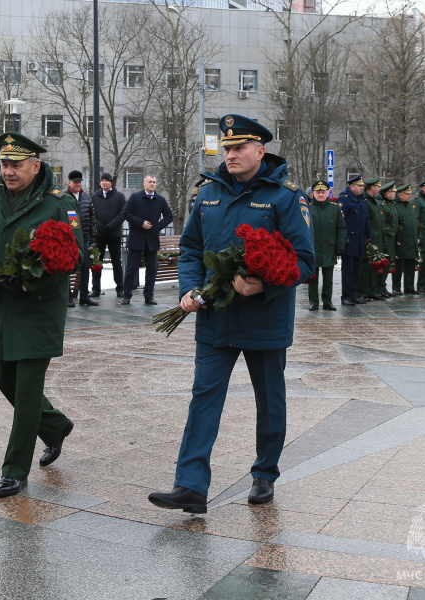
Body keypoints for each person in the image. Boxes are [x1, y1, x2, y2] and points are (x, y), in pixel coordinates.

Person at [147, 114, 315, 513]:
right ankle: (190, 485)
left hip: (265, 317)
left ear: (261, 150)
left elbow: (306, 260)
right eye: (227, 147)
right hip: (216, 317)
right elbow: (190, 248)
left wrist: (266, 283)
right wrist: (190, 288)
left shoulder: (286, 197)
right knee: (203, 398)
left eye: (240, 147)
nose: (231, 154)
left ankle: (264, 473)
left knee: (269, 401)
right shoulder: (207, 194)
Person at [0, 132, 83, 498]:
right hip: (2, 308)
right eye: (4, 164)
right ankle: (56, 425)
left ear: (36, 165)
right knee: (6, 382)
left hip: (38, 309)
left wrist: (34, 273)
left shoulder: (58, 204)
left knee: (28, 391)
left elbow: (75, 252)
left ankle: (14, 470)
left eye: (16, 164)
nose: (8, 171)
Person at [121, 175, 173, 305]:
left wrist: (158, 226)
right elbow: (126, 213)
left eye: (154, 182)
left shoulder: (160, 200)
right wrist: (141, 223)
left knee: (152, 269)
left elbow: (169, 216)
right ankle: (127, 294)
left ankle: (149, 296)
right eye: (150, 182)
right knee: (131, 268)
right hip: (136, 238)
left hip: (152, 239)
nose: (152, 184)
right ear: (144, 183)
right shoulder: (135, 197)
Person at [308, 179, 345, 311]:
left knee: (328, 278)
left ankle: (327, 301)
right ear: (314, 194)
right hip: (313, 247)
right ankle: (313, 301)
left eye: (323, 192)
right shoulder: (308, 208)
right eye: (318, 192)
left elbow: (341, 228)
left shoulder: (335, 209)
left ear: (328, 193)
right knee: (313, 277)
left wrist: (340, 245)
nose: (321, 195)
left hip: (330, 248)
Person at [338, 175, 373, 306]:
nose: (362, 188)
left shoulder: (362, 200)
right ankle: (346, 295)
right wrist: (344, 238)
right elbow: (340, 220)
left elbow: (366, 219)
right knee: (348, 270)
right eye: (359, 186)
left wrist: (369, 235)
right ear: (351, 186)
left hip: (359, 240)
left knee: (356, 270)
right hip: (349, 240)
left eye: (362, 186)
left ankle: (353, 294)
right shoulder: (345, 199)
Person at [91, 172, 127, 298]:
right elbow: (92, 214)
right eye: (102, 180)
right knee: (97, 262)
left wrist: (110, 225)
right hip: (99, 235)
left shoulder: (119, 196)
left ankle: (120, 289)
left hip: (114, 235)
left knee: (116, 263)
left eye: (106, 180)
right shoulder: (94, 197)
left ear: (111, 182)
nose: (104, 182)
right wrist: (99, 225)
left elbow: (122, 214)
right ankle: (95, 289)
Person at [66, 170, 97, 307]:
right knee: (67, 269)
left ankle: (84, 296)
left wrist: (93, 236)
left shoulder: (86, 197)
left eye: (79, 182)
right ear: (69, 183)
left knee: (85, 268)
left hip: (84, 239)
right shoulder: (64, 197)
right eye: (75, 182)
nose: (78, 184)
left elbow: (92, 217)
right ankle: (68, 297)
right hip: (68, 240)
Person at [357, 177, 384, 301]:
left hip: (375, 238)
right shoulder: (366, 201)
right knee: (365, 268)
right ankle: (362, 291)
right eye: (377, 186)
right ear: (372, 187)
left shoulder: (374, 201)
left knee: (372, 266)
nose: (379, 189)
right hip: (367, 239)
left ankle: (372, 290)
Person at [392, 184, 419, 295]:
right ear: (400, 195)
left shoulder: (411, 206)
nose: (409, 196)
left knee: (410, 265)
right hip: (401, 240)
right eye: (407, 194)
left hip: (411, 240)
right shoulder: (395, 207)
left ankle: (409, 287)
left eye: (409, 194)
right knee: (399, 266)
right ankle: (396, 287)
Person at [378, 181, 398, 297]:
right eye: (393, 192)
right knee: (383, 263)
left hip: (392, 237)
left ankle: (383, 287)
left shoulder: (390, 204)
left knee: (388, 262)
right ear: (387, 193)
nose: (395, 194)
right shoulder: (382, 205)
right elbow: (383, 222)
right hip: (386, 237)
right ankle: (379, 287)